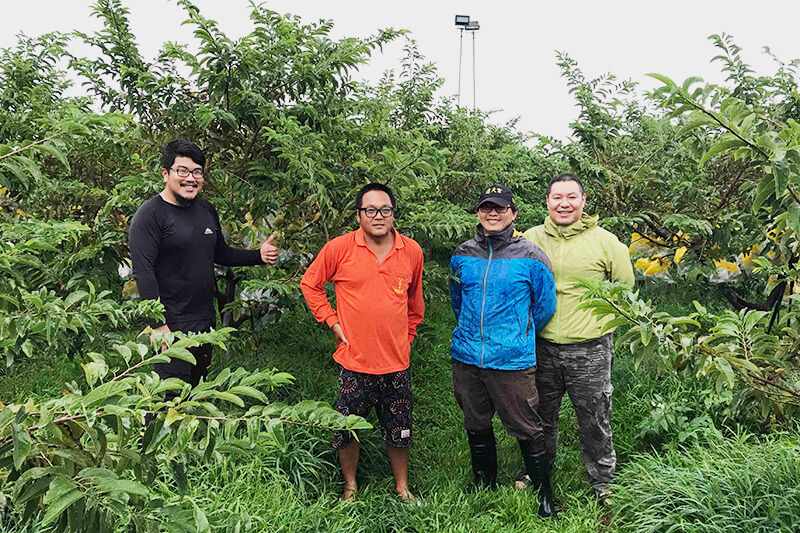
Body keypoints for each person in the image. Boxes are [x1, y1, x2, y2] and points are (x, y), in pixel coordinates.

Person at [300, 183, 424, 502]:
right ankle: (350, 485)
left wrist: (407, 338)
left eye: (385, 210)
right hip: (353, 362)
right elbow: (310, 284)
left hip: (396, 364)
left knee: (400, 429)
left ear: (393, 214)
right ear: (359, 215)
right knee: (347, 429)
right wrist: (332, 321)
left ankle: (401, 485)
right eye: (370, 210)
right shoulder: (339, 248)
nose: (378, 216)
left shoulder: (411, 251)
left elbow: (415, 305)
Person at [129, 139, 279, 391]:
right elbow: (143, 272)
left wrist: (258, 255)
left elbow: (220, 253)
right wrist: (157, 325)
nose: (191, 178)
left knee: (196, 392)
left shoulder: (206, 209)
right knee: (168, 398)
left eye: (197, 172)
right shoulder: (150, 215)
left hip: (204, 320)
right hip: (172, 324)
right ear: (166, 174)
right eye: (183, 171)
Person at [522, 173, 634, 501]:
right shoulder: (530, 239)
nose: (564, 204)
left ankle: (604, 482)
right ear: (547, 201)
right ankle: (537, 471)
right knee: (540, 414)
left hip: (590, 349)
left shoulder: (606, 242)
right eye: (557, 197)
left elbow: (624, 289)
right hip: (541, 345)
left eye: (572, 197)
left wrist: (598, 326)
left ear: (583, 201)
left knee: (594, 416)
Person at [450, 184, 558, 518]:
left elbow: (544, 305)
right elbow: (458, 301)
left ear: (513, 213)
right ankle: (485, 482)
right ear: (479, 213)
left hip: (512, 359)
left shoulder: (531, 255)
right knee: (476, 423)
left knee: (527, 426)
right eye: (486, 207)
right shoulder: (462, 253)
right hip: (467, 357)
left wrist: (516, 333)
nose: (493, 213)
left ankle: (544, 494)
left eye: (500, 208)